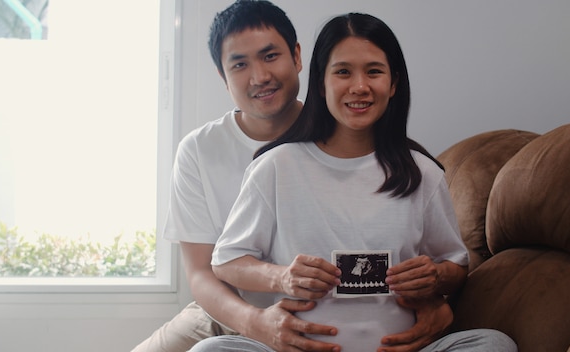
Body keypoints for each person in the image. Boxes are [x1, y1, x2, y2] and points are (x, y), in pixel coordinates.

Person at [132, 2, 456, 352]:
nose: (259, 77)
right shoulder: (207, 151)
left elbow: (441, 259)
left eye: (270, 56)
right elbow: (203, 271)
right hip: (229, 309)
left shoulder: (376, 147)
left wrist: (438, 299)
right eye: (239, 64)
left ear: (299, 58)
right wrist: (258, 321)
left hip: (347, 323)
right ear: (222, 75)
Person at [188, 12, 517, 352]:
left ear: (393, 84)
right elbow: (226, 262)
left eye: (374, 71)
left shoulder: (423, 173)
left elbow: (456, 266)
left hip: (397, 347)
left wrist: (436, 277)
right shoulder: (275, 167)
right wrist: (282, 276)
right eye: (343, 72)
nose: (359, 86)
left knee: (494, 344)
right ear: (321, 83)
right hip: (300, 348)